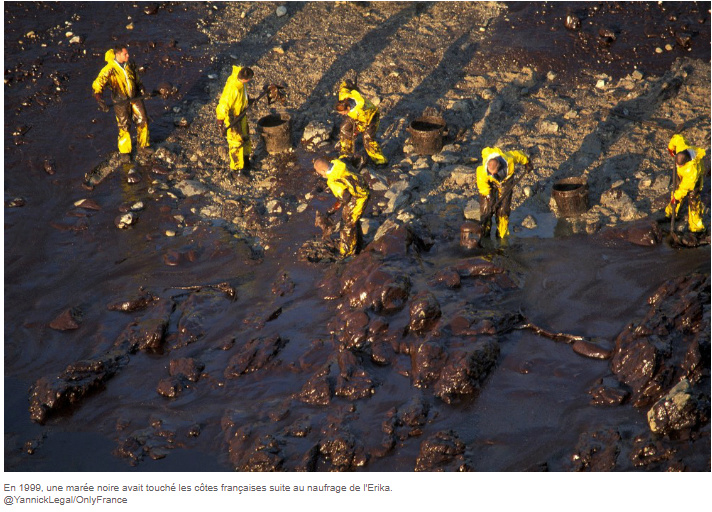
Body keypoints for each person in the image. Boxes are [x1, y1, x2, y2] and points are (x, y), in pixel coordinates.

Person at [92, 43, 150, 169]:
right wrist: (99, 99)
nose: (128, 55)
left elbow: (136, 77)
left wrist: (141, 87)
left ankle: (143, 146)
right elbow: (98, 84)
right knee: (124, 125)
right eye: (125, 54)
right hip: (121, 101)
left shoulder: (130, 64)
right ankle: (125, 152)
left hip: (135, 97)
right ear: (118, 55)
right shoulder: (109, 69)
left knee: (143, 120)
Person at [313, 156, 370, 258]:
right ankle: (359, 244)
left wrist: (332, 210)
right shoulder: (338, 162)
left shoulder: (333, 180)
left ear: (323, 170)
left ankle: (347, 255)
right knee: (353, 221)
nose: (320, 175)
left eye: (320, 173)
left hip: (358, 198)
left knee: (346, 226)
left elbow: (345, 197)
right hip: (363, 188)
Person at [476, 146, 532, 239]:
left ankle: (502, 235)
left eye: (494, 172)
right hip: (489, 183)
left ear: (499, 166)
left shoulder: (508, 160)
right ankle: (485, 234)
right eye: (491, 173)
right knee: (487, 209)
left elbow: (519, 155)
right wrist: (488, 197)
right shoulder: (482, 171)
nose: (493, 174)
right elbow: (483, 186)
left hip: (506, 181)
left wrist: (527, 162)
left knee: (503, 209)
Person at [335, 79, 388, 166]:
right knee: (344, 129)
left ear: (348, 108)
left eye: (343, 113)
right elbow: (344, 85)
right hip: (354, 116)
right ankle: (346, 153)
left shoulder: (362, 110)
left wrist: (356, 131)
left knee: (368, 139)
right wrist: (350, 84)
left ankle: (380, 160)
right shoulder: (343, 95)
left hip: (371, 117)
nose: (342, 114)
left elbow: (363, 124)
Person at [216, 66, 254, 176]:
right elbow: (223, 104)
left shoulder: (240, 81)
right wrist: (220, 121)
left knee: (246, 137)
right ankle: (237, 171)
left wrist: (247, 101)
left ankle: (246, 161)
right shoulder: (232, 89)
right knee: (236, 143)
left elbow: (242, 95)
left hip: (241, 114)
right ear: (245, 79)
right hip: (233, 118)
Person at [666, 134, 707, 233]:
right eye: (677, 164)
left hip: (693, 183)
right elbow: (677, 138)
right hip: (682, 176)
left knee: (693, 201)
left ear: (686, 162)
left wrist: (676, 197)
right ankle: (671, 213)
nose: (677, 166)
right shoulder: (682, 147)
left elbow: (685, 188)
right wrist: (670, 149)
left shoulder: (692, 171)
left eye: (680, 165)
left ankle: (696, 228)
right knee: (676, 189)